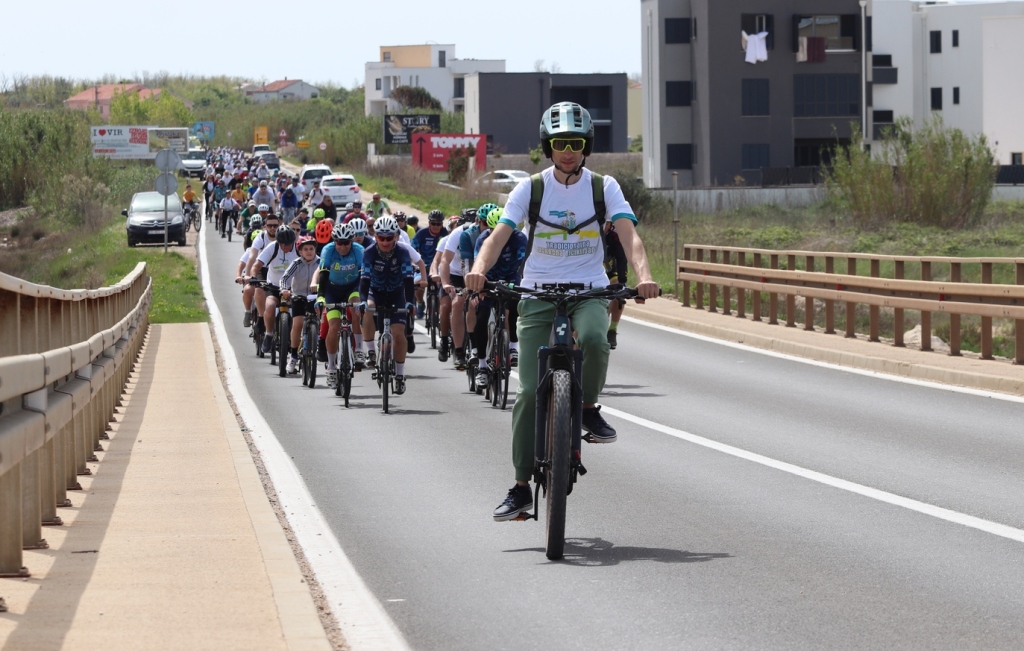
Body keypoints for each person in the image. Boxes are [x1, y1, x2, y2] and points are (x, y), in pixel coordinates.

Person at [464, 102, 659, 521]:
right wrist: (479, 269)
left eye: (574, 143)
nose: (567, 151)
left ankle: (586, 408)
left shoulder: (603, 187)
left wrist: (643, 275)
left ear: (585, 146)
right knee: (528, 393)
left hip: (588, 290)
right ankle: (520, 489)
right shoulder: (530, 189)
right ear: (547, 147)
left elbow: (631, 238)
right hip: (536, 292)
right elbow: (498, 237)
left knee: (593, 339)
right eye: (558, 144)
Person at [469, 206, 526, 388]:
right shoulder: (483, 239)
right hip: (489, 277)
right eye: (492, 230)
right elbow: (478, 264)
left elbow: (523, 265)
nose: (496, 234)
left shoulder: (519, 238)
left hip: (511, 276)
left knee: (516, 301)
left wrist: (520, 285)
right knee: (482, 316)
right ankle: (483, 366)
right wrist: (477, 288)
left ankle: (513, 347)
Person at [358, 215, 415, 395]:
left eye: (389, 238)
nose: (384, 242)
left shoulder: (403, 252)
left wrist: (410, 302)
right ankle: (370, 352)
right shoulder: (369, 252)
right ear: (375, 236)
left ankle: (399, 375)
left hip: (396, 293)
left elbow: (408, 279)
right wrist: (361, 301)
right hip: (375, 291)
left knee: (398, 335)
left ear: (396, 236)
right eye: (381, 238)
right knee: (367, 308)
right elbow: (365, 281)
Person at [316, 222, 366, 389]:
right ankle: (331, 367)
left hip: (352, 287)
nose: (343, 246)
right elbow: (323, 274)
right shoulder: (328, 250)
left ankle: (359, 348)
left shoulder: (358, 250)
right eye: (340, 243)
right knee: (334, 326)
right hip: (332, 290)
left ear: (352, 241)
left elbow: (363, 275)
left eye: (347, 243)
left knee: (356, 307)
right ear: (334, 241)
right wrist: (321, 297)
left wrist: (364, 297)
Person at [251, 227, 300, 354]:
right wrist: (252, 277)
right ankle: (268, 334)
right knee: (270, 306)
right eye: (283, 244)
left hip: (293, 288)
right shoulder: (273, 248)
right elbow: (257, 265)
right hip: (273, 287)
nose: (287, 247)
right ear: (278, 242)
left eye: (289, 244)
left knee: (299, 313)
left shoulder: (299, 248)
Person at [280, 236, 321, 374]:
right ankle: (293, 356)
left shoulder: (321, 262)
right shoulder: (296, 263)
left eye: (311, 248)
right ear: (300, 251)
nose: (309, 252)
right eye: (305, 249)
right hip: (299, 297)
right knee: (297, 324)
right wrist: (284, 290)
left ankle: (324, 354)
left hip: (316, 298)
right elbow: (285, 278)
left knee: (323, 322)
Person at [411, 210, 449, 322]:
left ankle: (435, 313)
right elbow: (412, 250)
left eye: (439, 224)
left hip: (439, 267)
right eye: (433, 223)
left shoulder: (445, 233)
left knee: (441, 292)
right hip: (423, 266)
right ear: (429, 223)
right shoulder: (421, 234)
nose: (436, 226)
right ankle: (420, 302)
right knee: (417, 284)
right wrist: (415, 264)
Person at [603, 221, 628, 349]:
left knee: (618, 291)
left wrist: (622, 282)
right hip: (589, 266)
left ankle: (612, 330)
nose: (603, 226)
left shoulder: (614, 234)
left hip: (610, 262)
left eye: (606, 224)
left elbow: (621, 256)